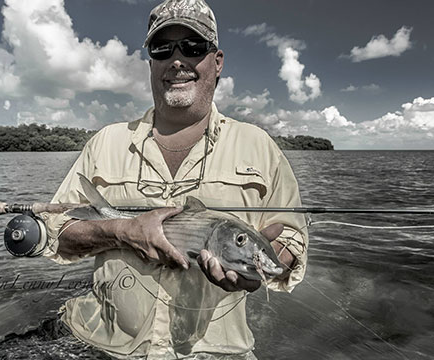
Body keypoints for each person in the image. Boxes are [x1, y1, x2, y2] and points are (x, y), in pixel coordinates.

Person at [42, 0, 308, 358]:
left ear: (217, 62)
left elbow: (291, 237)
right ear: (152, 62)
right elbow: (56, 233)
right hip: (101, 347)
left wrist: (267, 263)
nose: (177, 60)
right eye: (162, 48)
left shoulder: (259, 146)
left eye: (193, 47)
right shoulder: (106, 142)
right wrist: (120, 231)